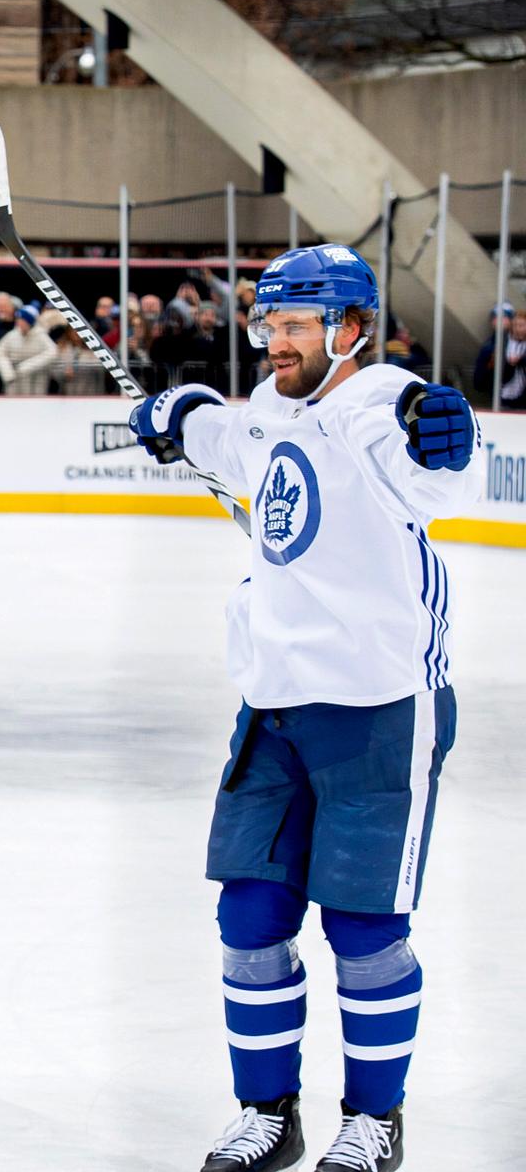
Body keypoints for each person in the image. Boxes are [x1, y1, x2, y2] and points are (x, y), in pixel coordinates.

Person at [128, 244, 478, 1172]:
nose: (275, 341)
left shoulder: (374, 404)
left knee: (365, 929)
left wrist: (437, 426)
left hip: (378, 709)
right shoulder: (264, 413)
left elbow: (432, 459)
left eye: (295, 326)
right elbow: (220, 433)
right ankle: (268, 1112)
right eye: (269, 324)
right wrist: (172, 413)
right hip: (273, 708)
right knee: (249, 916)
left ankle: (375, 1121)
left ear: (349, 328)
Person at [0, 301, 55, 394]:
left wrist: (28, 365)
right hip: (14, 383)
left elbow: (52, 352)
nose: (19, 322)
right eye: (18, 319)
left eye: (22, 320)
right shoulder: (12, 335)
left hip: (35, 383)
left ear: (29, 322)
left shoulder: (41, 336)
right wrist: (8, 373)